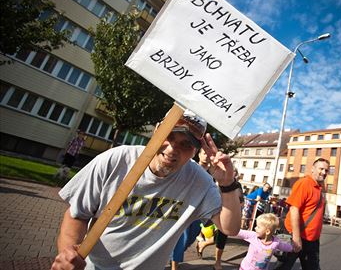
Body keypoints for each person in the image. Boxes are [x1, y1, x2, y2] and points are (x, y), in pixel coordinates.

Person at [51, 110, 242, 270]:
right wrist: (68, 253)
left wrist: (227, 184)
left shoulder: (199, 181)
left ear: (195, 150)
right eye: (168, 136)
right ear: (157, 130)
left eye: (186, 144)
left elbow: (229, 228)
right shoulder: (116, 160)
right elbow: (78, 214)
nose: (172, 149)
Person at [274, 158, 329, 270]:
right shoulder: (304, 183)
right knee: (283, 267)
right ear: (312, 169)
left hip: (312, 241)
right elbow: (294, 209)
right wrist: (296, 237)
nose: (324, 172)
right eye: (321, 169)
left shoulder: (319, 188)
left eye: (326, 170)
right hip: (295, 236)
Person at [170, 147, 213, 270]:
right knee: (181, 240)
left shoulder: (212, 174)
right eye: (204, 153)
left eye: (209, 154)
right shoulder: (190, 168)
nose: (206, 156)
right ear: (199, 154)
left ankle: (170, 257)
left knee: (189, 239)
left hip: (199, 213)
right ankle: (174, 266)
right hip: (184, 210)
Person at [213, 169, 244, 270]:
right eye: (232, 171)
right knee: (216, 236)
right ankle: (204, 244)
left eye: (235, 172)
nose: (233, 173)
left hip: (229, 215)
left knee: (221, 237)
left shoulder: (238, 185)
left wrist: (238, 209)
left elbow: (241, 200)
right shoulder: (219, 182)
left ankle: (217, 262)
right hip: (217, 212)